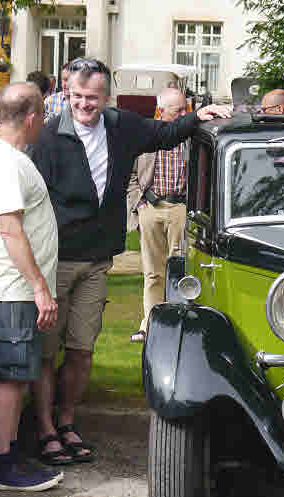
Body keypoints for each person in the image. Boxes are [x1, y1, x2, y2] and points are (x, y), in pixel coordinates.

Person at [30, 58, 232, 465]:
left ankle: (67, 421)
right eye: (77, 97)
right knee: (47, 352)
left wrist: (198, 116)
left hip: (98, 258)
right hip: (58, 259)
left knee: (83, 349)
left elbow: (167, 132)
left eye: (92, 98)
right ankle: (44, 430)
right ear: (67, 94)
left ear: (107, 98)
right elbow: (36, 203)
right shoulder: (50, 138)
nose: (84, 105)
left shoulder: (121, 125)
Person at [0, 81, 63, 490]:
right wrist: (39, 287)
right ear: (31, 119)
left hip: (16, 288)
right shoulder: (7, 164)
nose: (43, 124)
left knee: (19, 373)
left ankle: (10, 454)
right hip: (12, 289)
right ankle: (3, 465)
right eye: (42, 116)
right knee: (10, 377)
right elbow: (11, 231)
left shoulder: (7, 158)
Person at [126, 88, 190, 343]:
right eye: (179, 111)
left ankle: (177, 325)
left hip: (181, 209)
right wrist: (139, 202)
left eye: (186, 109)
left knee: (180, 269)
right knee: (153, 272)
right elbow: (129, 174)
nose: (186, 114)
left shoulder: (191, 138)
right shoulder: (145, 137)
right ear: (161, 112)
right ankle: (149, 324)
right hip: (150, 208)